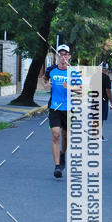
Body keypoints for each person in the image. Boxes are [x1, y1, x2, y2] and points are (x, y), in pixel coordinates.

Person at [42, 44, 72, 179]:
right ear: (57, 56)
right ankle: (57, 166)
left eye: (65, 54)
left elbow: (81, 89)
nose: (63, 56)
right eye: (60, 54)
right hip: (54, 107)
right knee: (56, 135)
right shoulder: (51, 70)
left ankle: (63, 153)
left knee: (65, 136)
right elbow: (44, 80)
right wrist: (46, 85)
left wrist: (71, 87)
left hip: (69, 109)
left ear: (69, 56)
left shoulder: (73, 72)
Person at [101, 63, 112, 140]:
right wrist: (111, 102)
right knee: (101, 118)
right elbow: (108, 91)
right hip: (103, 99)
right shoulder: (106, 77)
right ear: (106, 69)